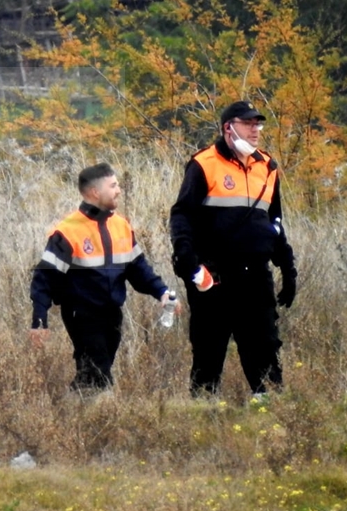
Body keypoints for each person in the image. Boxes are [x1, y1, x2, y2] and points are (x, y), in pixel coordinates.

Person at [169, 101, 297, 399]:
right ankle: (204, 413)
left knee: (265, 347)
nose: (256, 129)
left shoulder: (267, 167)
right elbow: (182, 214)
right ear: (229, 127)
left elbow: (274, 222)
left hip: (256, 276)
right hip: (214, 275)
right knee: (208, 350)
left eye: (258, 124)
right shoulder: (203, 163)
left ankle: (269, 413)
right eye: (249, 123)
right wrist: (186, 256)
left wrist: (287, 267)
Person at [29, 163, 174, 392]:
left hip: (113, 313)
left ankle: (74, 414)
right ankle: (93, 419)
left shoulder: (121, 225)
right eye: (113, 185)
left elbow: (138, 268)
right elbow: (44, 278)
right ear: (95, 192)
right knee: (99, 373)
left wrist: (162, 292)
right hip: (81, 314)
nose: (119, 190)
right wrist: (39, 319)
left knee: (92, 374)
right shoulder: (68, 230)